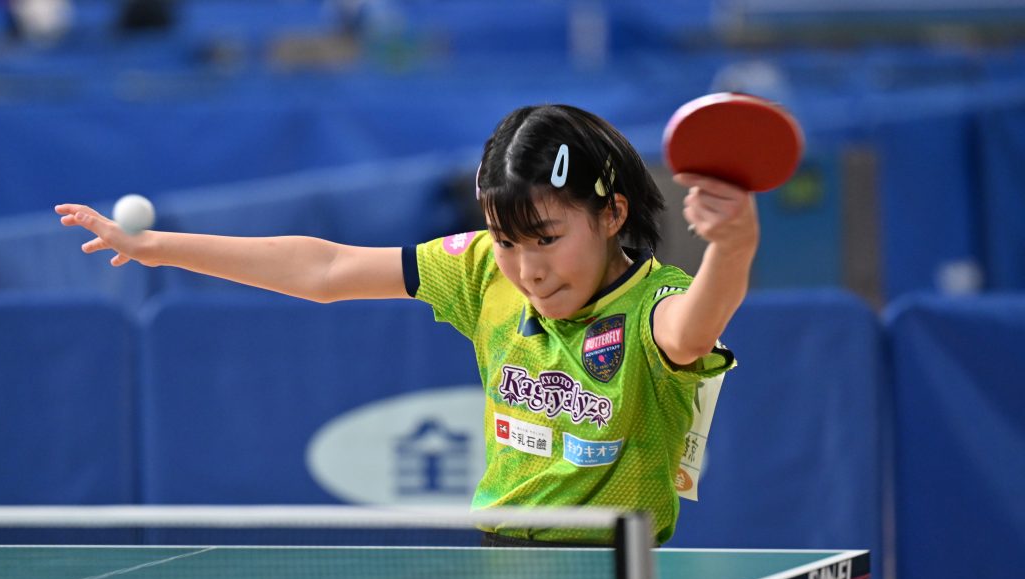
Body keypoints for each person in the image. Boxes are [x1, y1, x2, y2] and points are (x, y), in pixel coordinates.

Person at [55, 104, 757, 550]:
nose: (529, 270)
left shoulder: (654, 303)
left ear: (611, 214)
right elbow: (324, 269)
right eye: (507, 241)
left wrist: (734, 245)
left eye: (546, 239)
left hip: (619, 578)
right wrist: (158, 247)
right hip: (506, 571)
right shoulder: (480, 270)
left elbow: (692, 330)